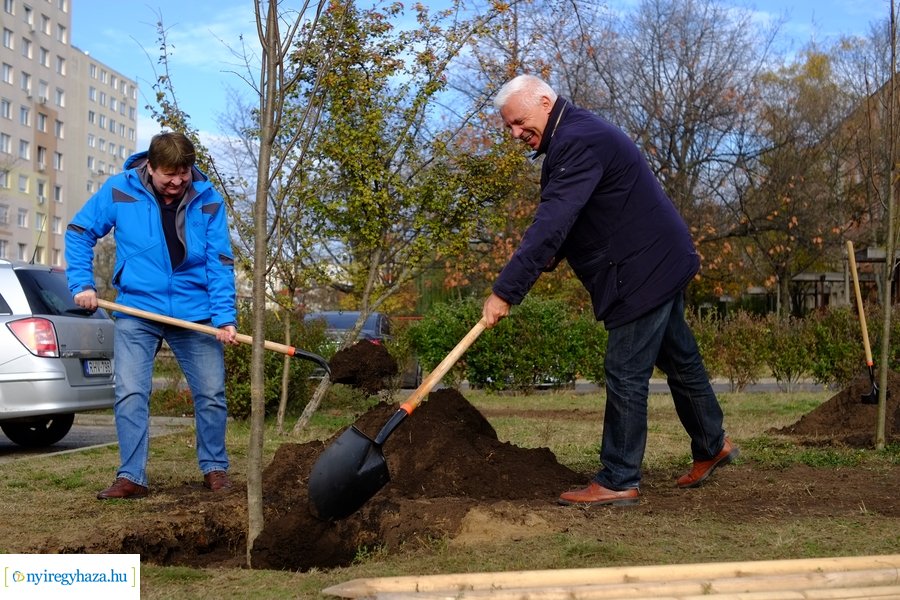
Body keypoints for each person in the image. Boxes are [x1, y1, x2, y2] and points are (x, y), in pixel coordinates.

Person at [482, 74, 738, 507]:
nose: (515, 134)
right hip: (657, 259)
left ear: (545, 100)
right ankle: (713, 444)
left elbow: (552, 221)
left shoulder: (577, 140)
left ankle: (619, 477)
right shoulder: (572, 136)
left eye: (520, 122)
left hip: (642, 269)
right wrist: (546, 259)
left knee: (625, 371)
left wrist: (506, 290)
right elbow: (575, 216)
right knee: (680, 358)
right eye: (508, 127)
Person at [66, 131, 239, 500]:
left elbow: (219, 262)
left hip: (195, 313)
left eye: (184, 173)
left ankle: (215, 468)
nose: (177, 182)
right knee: (130, 391)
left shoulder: (208, 200)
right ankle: (132, 476)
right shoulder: (120, 190)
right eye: (168, 175)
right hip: (137, 309)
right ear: (150, 166)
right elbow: (80, 232)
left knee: (211, 394)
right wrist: (83, 283)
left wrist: (225, 317)